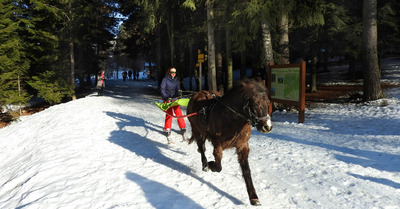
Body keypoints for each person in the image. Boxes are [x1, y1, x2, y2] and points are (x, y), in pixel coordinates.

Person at [160, 67, 186, 139]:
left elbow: (178, 89)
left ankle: (182, 127)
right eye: (172, 72)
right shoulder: (165, 80)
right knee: (169, 113)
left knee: (178, 112)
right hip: (167, 99)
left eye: (174, 72)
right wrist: (166, 97)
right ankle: (167, 128)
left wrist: (179, 93)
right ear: (169, 72)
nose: (173, 74)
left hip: (174, 99)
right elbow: (162, 89)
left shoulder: (176, 80)